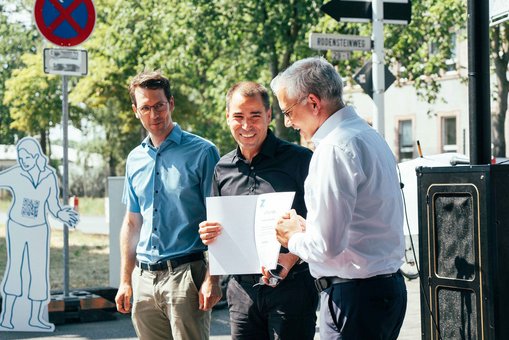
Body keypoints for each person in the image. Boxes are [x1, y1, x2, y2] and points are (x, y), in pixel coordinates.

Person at [271, 57, 407, 340]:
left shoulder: (333, 149)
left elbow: (326, 246)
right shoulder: (369, 135)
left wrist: (291, 237)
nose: (288, 121)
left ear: (312, 102)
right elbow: (363, 222)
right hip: (382, 291)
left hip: (353, 297)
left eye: (287, 111)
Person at [198, 81, 318, 340]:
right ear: (227, 117)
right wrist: (209, 235)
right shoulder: (222, 169)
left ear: (269, 116)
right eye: (238, 117)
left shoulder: (300, 161)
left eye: (255, 116)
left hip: (291, 287)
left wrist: (293, 257)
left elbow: (322, 221)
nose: (246, 125)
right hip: (241, 292)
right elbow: (218, 230)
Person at [114, 70, 222, 340]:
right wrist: (126, 280)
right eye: (145, 108)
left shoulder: (203, 152)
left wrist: (214, 278)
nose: (154, 114)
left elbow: (220, 219)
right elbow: (132, 222)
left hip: (186, 275)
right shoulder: (134, 159)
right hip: (143, 279)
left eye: (159, 105)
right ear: (135, 111)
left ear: (171, 104)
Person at [0, 137, 78, 331]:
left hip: (39, 229)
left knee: (37, 272)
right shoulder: (16, 173)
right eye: (21, 158)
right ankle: (8, 318)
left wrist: (62, 214)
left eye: (27, 157)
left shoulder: (49, 176)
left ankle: (35, 319)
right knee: (14, 269)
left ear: (35, 156)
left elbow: (52, 205)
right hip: (17, 227)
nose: (23, 161)